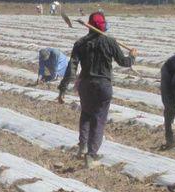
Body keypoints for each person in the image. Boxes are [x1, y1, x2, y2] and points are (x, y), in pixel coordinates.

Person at [57, 12, 137, 168]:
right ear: (103, 26)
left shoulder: (80, 43)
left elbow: (71, 67)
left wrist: (63, 89)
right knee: (98, 119)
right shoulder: (110, 42)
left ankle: (83, 146)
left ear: (89, 25)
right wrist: (132, 56)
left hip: (85, 85)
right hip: (103, 86)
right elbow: (124, 62)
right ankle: (91, 155)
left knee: (86, 114)